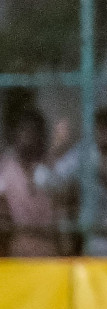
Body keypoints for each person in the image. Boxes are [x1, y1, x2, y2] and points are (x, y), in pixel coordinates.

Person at [35, 108, 107, 257]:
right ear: (94, 130)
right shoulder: (82, 155)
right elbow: (46, 182)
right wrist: (56, 148)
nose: (106, 133)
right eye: (101, 128)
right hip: (95, 240)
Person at [0, 108, 62, 257]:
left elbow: (61, 208)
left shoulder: (51, 169)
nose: (28, 136)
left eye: (33, 132)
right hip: (16, 248)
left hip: (47, 248)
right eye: (24, 130)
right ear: (15, 134)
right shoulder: (5, 168)